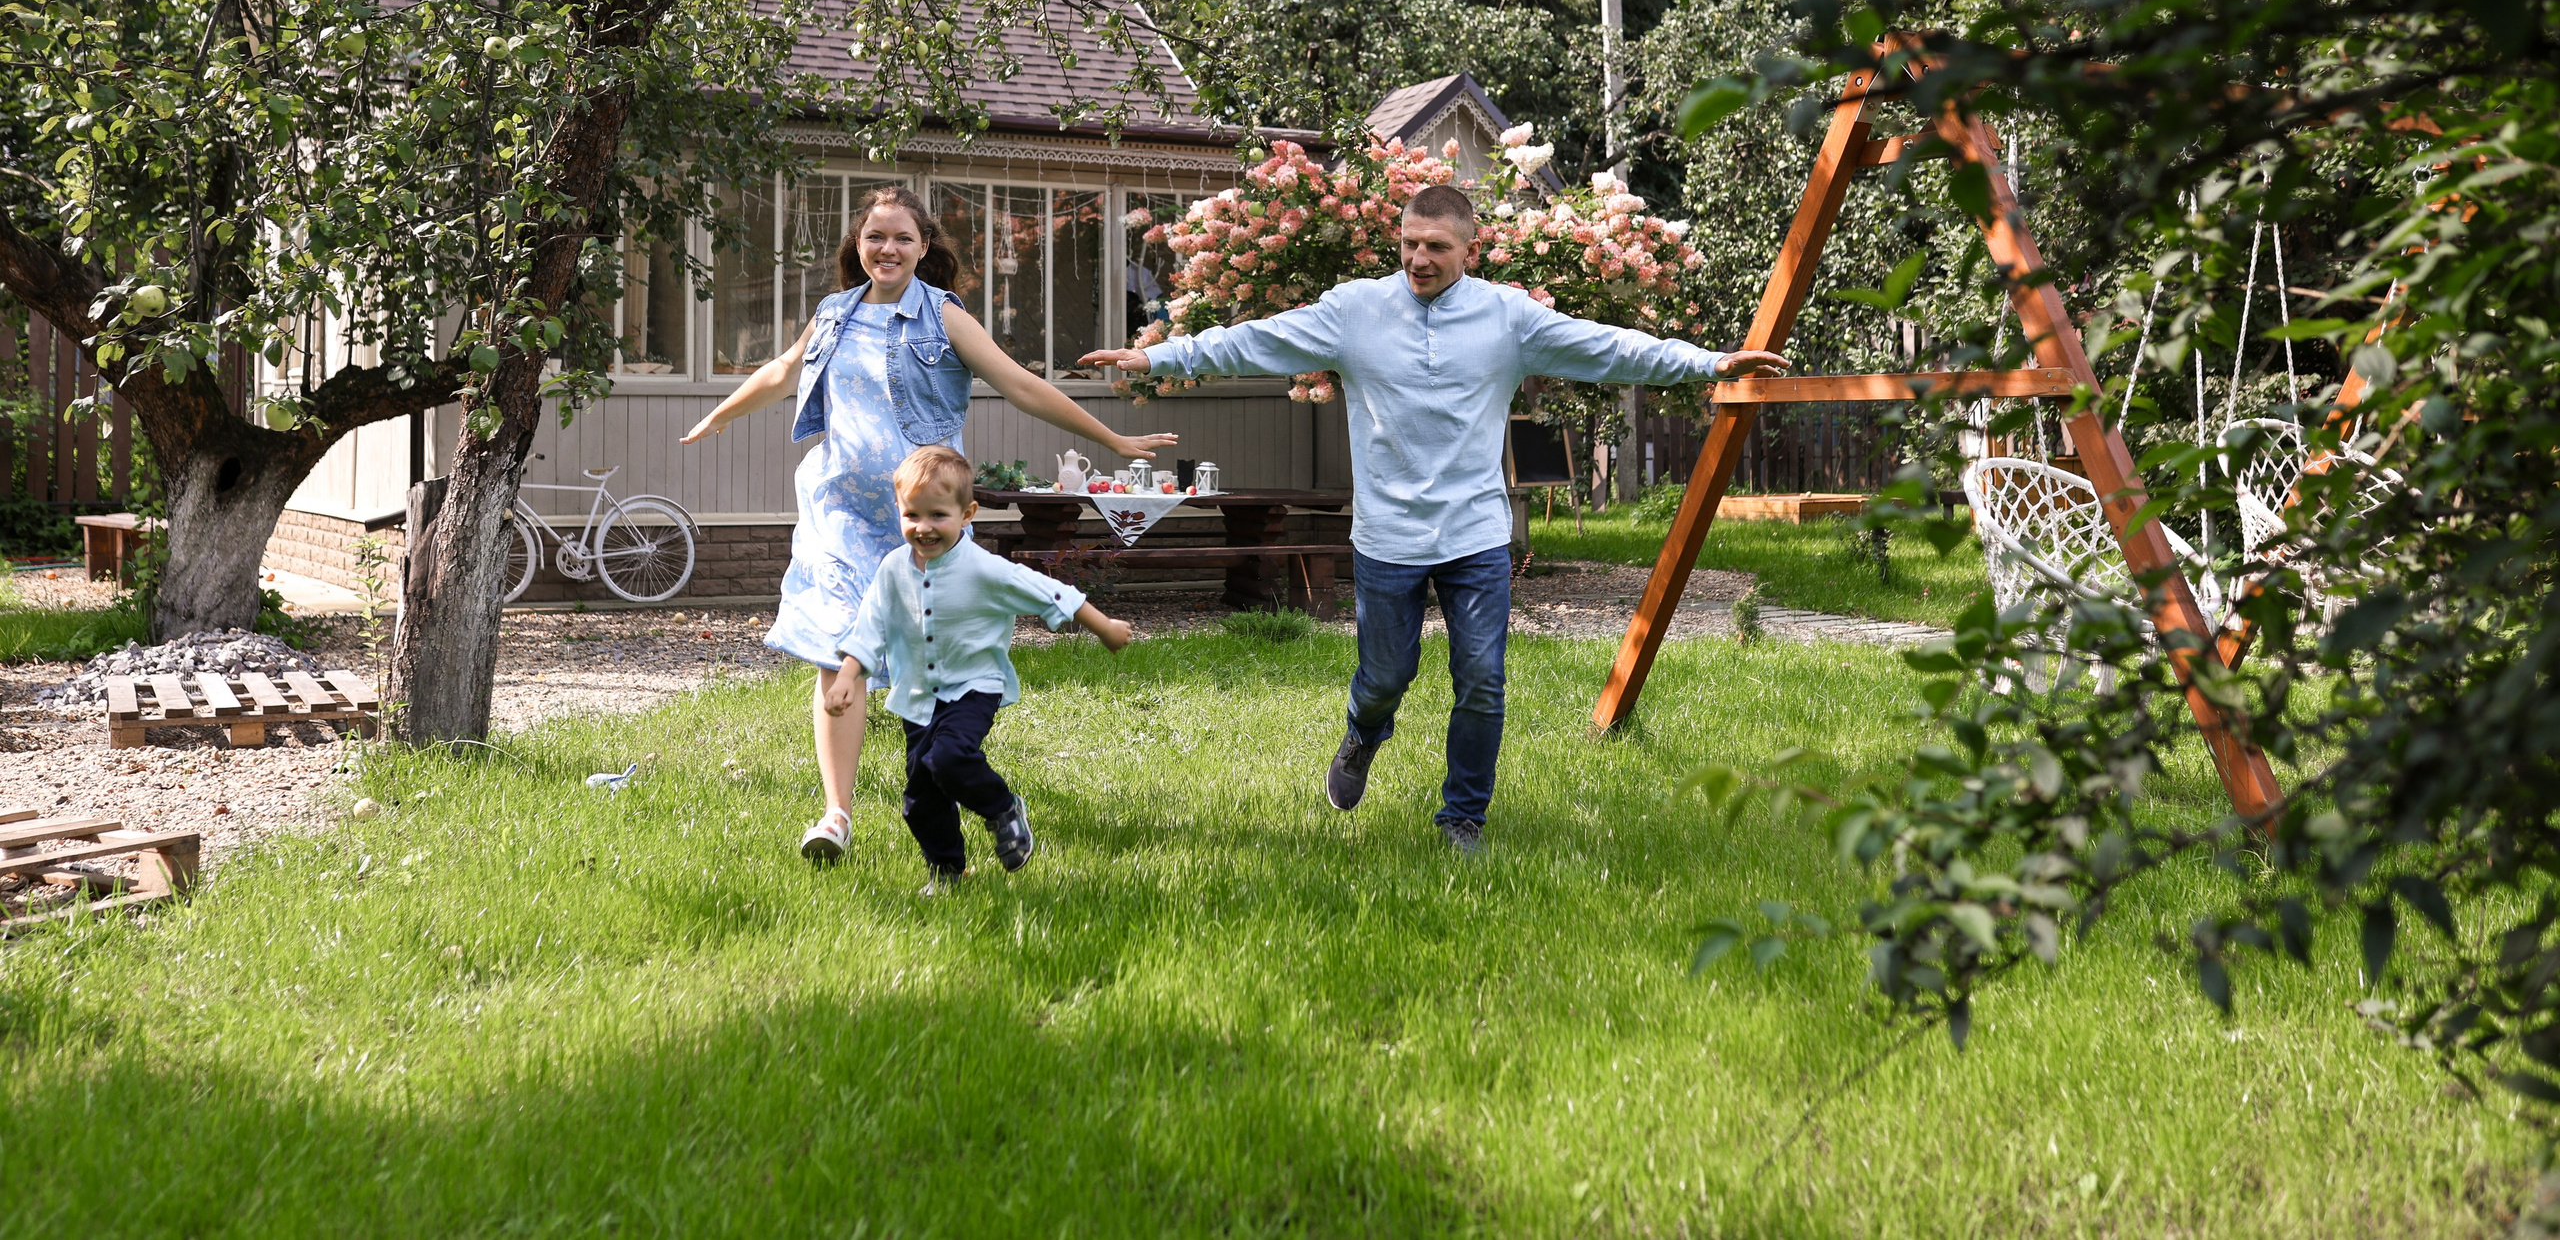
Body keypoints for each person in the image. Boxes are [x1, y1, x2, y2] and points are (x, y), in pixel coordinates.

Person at [1081, 183, 1785, 852]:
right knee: (1386, 675)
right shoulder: (1353, 311)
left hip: (1475, 533)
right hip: (1388, 536)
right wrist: (1154, 356)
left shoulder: (1508, 318)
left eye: (1437, 247)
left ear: (1468, 251)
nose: (1420, 258)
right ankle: (1364, 729)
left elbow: (1606, 347)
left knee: (1481, 677)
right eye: (1411, 243)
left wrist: (1711, 362)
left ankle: (1463, 817)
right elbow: (1250, 341)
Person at [681, 186, 1173, 862]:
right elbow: (781, 371)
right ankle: (836, 815)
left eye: (902, 238)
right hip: (839, 513)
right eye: (875, 236)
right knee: (834, 651)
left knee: (936, 669)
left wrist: (1112, 440)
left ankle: (959, 792)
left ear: (924, 247)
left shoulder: (942, 316)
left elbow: (1020, 382)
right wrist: (721, 414)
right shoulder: (834, 313)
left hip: (921, 520)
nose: (887, 248)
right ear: (858, 244)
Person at [830, 445, 1133, 890]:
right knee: (920, 799)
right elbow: (869, 627)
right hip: (918, 696)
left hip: (973, 686)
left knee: (948, 758)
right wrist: (846, 676)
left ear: (967, 513)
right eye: (912, 515)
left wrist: (1103, 626)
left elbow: (1048, 591)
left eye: (938, 515)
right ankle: (947, 871)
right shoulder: (892, 570)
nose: (924, 527)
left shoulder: (983, 569)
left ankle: (1002, 808)